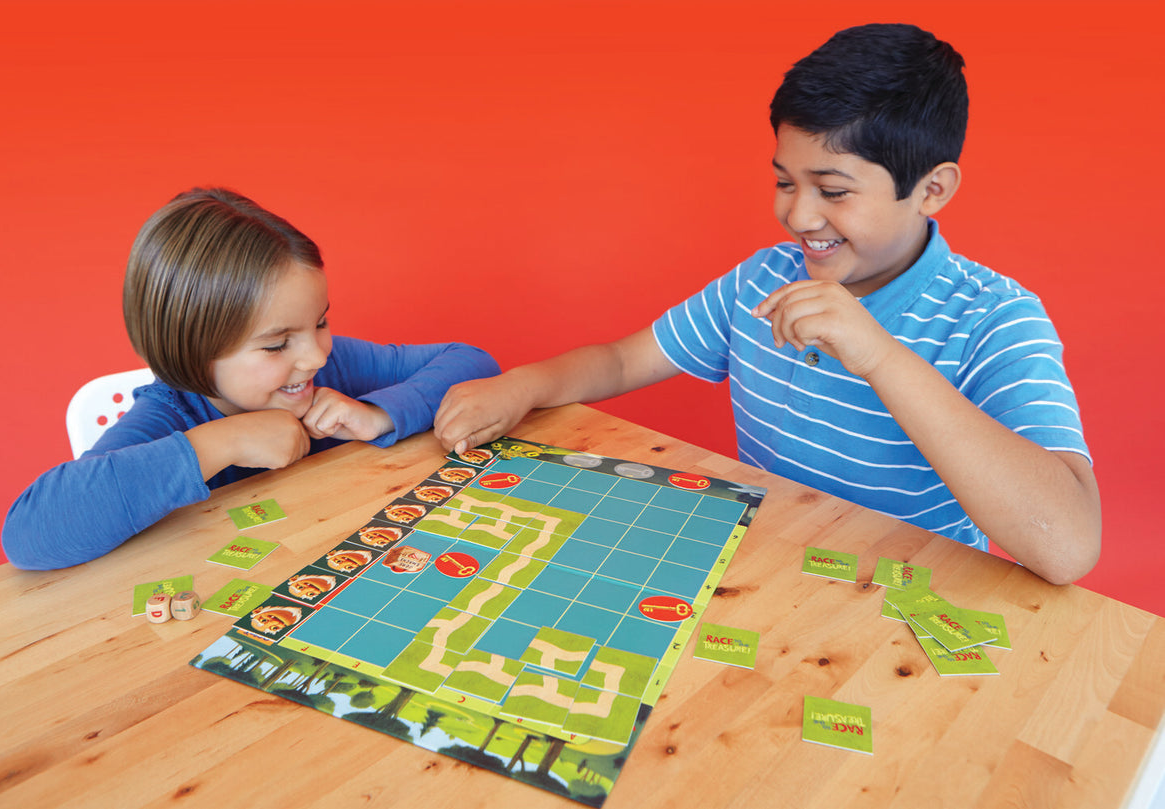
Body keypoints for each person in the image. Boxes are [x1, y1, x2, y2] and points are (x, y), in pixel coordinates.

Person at [433, 23, 1100, 585]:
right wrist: (520, 385)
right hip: (770, 572)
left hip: (905, 602)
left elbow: (1068, 546)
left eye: (833, 190)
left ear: (931, 189)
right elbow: (617, 360)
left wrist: (878, 354)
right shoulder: (761, 281)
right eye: (784, 181)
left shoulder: (996, 318)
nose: (798, 215)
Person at [3, 188, 498, 570]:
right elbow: (28, 534)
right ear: (193, 354)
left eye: (320, 322)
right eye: (277, 344)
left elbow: (472, 362)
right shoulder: (167, 414)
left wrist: (377, 415)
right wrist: (219, 442)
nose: (314, 355)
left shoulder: (331, 365)